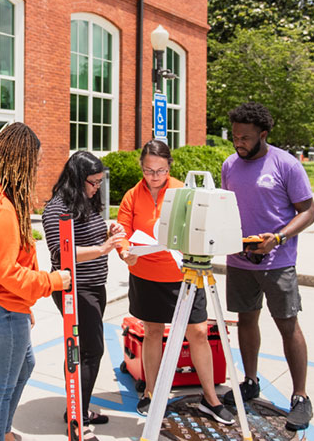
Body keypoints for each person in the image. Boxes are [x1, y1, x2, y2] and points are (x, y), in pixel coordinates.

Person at [0, 122, 72, 441]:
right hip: (2, 308)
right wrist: (53, 280)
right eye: (36, 163)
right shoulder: (0, 210)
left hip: (5, 306)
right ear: (21, 164)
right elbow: (7, 273)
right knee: (1, 386)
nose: (38, 169)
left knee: (24, 367)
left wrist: (25, 305)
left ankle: (4, 432)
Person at [116, 140, 234, 425]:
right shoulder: (132, 195)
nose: (154, 176)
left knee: (199, 333)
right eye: (148, 170)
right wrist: (124, 252)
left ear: (169, 166)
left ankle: (211, 398)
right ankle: (152, 391)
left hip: (183, 276)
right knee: (153, 333)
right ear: (141, 168)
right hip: (146, 275)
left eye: (160, 170)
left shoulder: (184, 191)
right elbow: (122, 230)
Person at [220, 102, 314, 431]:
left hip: (278, 262)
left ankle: (301, 396)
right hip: (240, 260)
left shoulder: (286, 165)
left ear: (263, 135)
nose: (239, 143)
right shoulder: (229, 165)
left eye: (245, 137)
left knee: (288, 326)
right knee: (247, 321)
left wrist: (277, 238)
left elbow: (308, 211)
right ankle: (250, 382)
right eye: (235, 136)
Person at [42, 151, 129, 441]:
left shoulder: (87, 201)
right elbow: (61, 252)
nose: (96, 188)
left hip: (94, 286)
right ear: (77, 179)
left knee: (90, 350)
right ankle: (77, 418)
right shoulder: (56, 208)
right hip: (74, 289)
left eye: (99, 183)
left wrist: (109, 229)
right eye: (92, 182)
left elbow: (89, 236)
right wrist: (104, 248)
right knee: (91, 351)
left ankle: (79, 408)